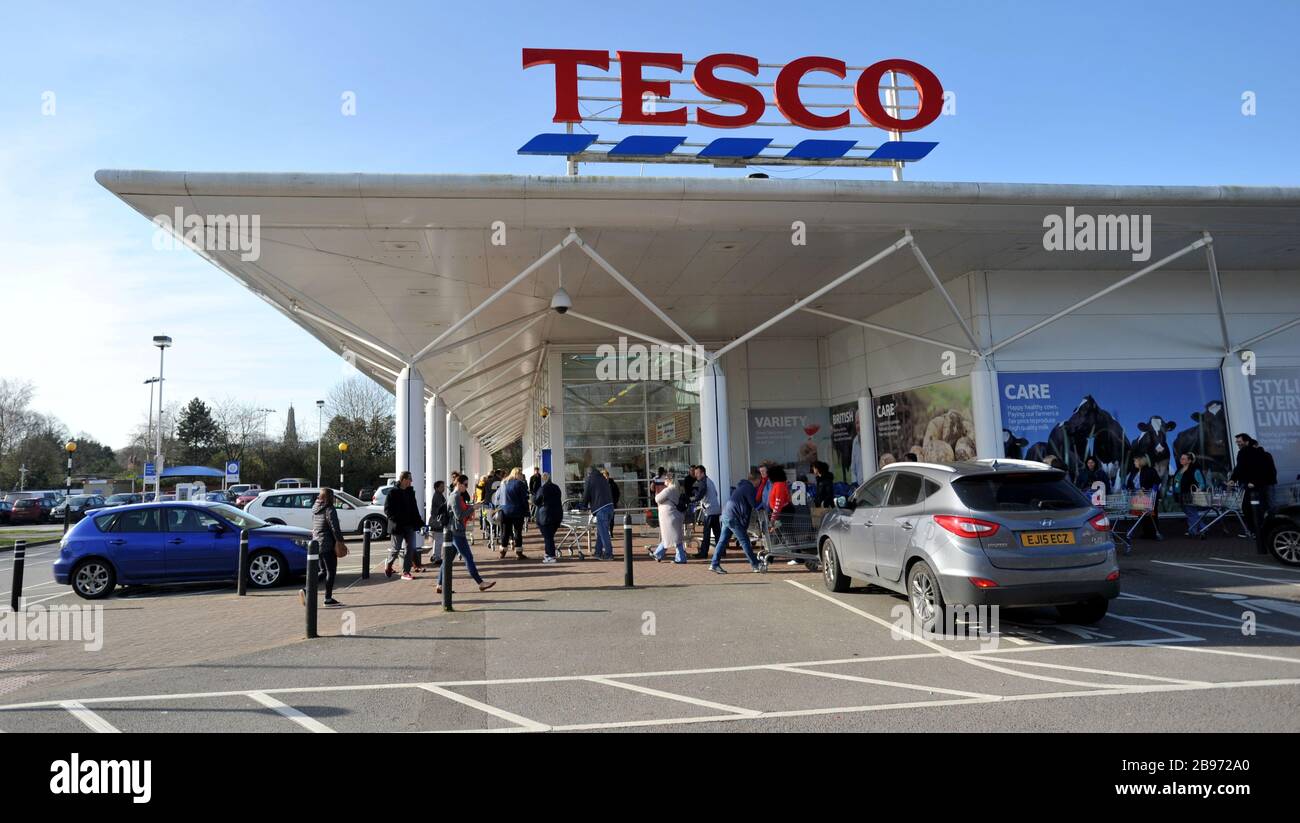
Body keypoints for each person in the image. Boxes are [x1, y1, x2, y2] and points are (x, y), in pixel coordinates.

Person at [437, 475, 495, 594]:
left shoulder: (456, 496)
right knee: (468, 557)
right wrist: (473, 508)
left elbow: (460, 512)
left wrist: (472, 507)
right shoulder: (455, 497)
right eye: (466, 484)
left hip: (453, 531)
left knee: (447, 560)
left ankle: (440, 585)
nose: (466, 487)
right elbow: (459, 515)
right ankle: (480, 583)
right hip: (456, 532)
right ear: (459, 483)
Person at [710, 469, 764, 574]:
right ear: (757, 479)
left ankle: (714, 563)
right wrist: (764, 504)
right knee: (744, 541)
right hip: (733, 517)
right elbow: (754, 504)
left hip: (727, 514)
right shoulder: (749, 488)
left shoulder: (742, 486)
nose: (760, 483)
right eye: (760, 480)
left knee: (723, 541)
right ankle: (755, 564)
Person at [301, 487, 346, 607]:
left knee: (322, 571)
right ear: (329, 497)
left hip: (317, 543)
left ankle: (306, 590)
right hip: (327, 544)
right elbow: (334, 527)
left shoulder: (315, 508)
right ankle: (328, 598)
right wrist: (340, 542)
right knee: (331, 571)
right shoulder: (330, 509)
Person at [1229, 433, 1277, 539]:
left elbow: (1262, 470)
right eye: (1237, 442)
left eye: (1239, 441)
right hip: (1256, 485)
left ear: (1247, 442)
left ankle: (1263, 532)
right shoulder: (1244, 452)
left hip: (1258, 485)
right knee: (1258, 508)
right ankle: (1261, 531)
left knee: (1258, 508)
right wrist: (1233, 479)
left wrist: (1254, 482)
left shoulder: (1257, 453)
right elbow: (1240, 468)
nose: (1237, 443)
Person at [384, 471, 425, 580]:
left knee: (410, 548)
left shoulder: (410, 492)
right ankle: (388, 565)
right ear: (403, 479)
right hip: (397, 526)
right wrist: (395, 520)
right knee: (396, 549)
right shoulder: (392, 492)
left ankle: (406, 572)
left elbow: (414, 510)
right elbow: (387, 510)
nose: (411, 481)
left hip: (409, 526)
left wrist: (420, 523)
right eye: (409, 479)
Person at [649, 472, 688, 563]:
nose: (664, 481)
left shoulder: (669, 490)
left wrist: (657, 493)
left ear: (670, 480)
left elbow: (657, 499)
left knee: (674, 538)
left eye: (666, 479)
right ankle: (658, 554)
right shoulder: (676, 489)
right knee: (670, 537)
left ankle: (681, 558)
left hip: (670, 517)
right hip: (673, 516)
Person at [1169, 452, 1209, 538]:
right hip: (1180, 495)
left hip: (1189, 495)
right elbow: (1176, 481)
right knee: (1190, 513)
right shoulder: (1179, 469)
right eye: (1181, 458)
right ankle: (1204, 528)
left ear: (1189, 461)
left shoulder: (1194, 470)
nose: (1181, 460)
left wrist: (1199, 489)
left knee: (1191, 512)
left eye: (1183, 459)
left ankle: (1193, 531)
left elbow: (1201, 482)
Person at [1124, 455, 1163, 541]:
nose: (1134, 462)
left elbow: (1157, 482)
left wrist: (1148, 489)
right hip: (1137, 497)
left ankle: (1153, 533)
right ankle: (1146, 533)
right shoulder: (1134, 471)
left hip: (1148, 496)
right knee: (1142, 515)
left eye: (1136, 461)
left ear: (1141, 461)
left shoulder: (1150, 471)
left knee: (1151, 515)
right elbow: (1130, 482)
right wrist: (1129, 488)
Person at [582, 465, 615, 559]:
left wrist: (583, 505)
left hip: (601, 508)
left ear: (589, 473)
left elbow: (586, 494)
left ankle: (609, 554)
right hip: (610, 507)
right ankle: (598, 552)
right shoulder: (603, 478)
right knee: (601, 531)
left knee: (603, 533)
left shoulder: (590, 479)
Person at [691, 465, 721, 559]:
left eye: (697, 473)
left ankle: (704, 553)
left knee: (706, 533)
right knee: (717, 532)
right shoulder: (710, 481)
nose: (696, 475)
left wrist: (692, 499)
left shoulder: (703, 482)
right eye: (695, 473)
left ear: (703, 473)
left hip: (709, 510)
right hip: (716, 509)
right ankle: (721, 551)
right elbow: (715, 493)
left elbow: (700, 494)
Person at [533, 471, 563, 564]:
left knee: (548, 537)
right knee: (549, 536)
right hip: (557, 515)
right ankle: (547, 553)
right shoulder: (556, 487)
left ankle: (551, 556)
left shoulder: (542, 489)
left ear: (542, 479)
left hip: (545, 516)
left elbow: (537, 501)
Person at [500, 468, 529, 559]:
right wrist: (527, 510)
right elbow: (524, 499)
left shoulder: (504, 483)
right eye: (520, 474)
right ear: (517, 474)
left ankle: (502, 551)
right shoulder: (520, 484)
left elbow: (500, 497)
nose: (522, 476)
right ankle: (518, 552)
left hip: (505, 511)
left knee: (505, 531)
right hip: (517, 511)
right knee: (517, 531)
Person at [427, 480, 449, 564]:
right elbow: (443, 507)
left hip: (435, 520)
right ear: (436, 488)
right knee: (439, 540)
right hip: (437, 521)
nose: (443, 488)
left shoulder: (438, 495)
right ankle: (437, 557)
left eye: (443, 487)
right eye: (441, 487)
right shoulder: (438, 496)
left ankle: (435, 555)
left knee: (437, 540)